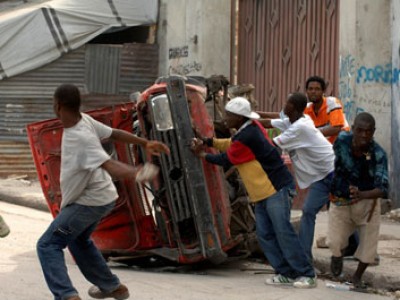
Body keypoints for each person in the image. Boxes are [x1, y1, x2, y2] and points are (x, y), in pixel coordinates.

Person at [36, 84, 170, 300]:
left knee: (48, 244)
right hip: (100, 198)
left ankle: (66, 295)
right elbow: (114, 133)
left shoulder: (80, 136)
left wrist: (136, 172)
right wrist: (145, 142)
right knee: (78, 240)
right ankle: (112, 287)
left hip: (87, 203)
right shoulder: (84, 121)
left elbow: (108, 164)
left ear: (58, 106)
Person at [191, 97, 317, 288]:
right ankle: (285, 273)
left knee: (282, 232)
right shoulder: (248, 129)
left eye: (229, 115)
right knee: (265, 234)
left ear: (240, 118)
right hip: (263, 192)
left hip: (275, 189)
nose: (225, 119)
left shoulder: (248, 135)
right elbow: (230, 144)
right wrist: (207, 141)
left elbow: (226, 159)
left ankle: (306, 274)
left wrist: (201, 154)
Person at [261, 93, 335, 262]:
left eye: (286, 102)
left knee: (320, 211)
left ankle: (304, 259)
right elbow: (267, 122)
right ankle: (306, 257)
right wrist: (249, 116)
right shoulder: (293, 121)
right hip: (321, 175)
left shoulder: (300, 127)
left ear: (292, 107)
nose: (283, 105)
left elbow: (272, 145)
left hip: (331, 173)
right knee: (337, 210)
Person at [328, 112, 388, 287]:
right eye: (360, 130)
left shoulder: (379, 154)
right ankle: (337, 256)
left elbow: (383, 189)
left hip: (368, 203)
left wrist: (362, 194)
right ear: (353, 129)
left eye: (368, 132)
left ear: (373, 132)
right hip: (340, 200)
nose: (364, 135)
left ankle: (357, 277)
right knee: (334, 241)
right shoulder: (341, 141)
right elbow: (333, 164)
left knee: (369, 245)